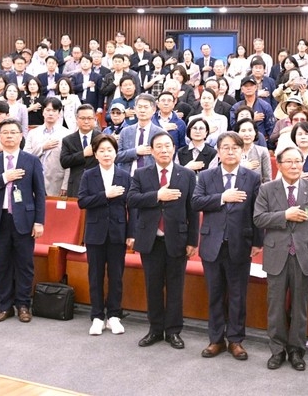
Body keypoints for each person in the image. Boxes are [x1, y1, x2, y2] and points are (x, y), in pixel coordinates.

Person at [253, 146, 308, 371]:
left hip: (305, 254)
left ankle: (296, 351)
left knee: (300, 306)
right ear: (279, 164)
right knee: (275, 306)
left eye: (298, 161)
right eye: (289, 162)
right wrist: (285, 215)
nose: (294, 166)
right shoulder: (267, 189)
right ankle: (277, 350)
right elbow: (258, 218)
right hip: (277, 254)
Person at [192, 132, 263, 360]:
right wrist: (223, 197)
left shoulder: (252, 178)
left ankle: (235, 340)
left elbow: (257, 211)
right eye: (226, 147)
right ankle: (215, 340)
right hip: (212, 244)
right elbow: (195, 202)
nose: (230, 151)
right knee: (214, 294)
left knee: (237, 295)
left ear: (242, 151)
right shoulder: (206, 176)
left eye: (235, 148)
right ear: (218, 152)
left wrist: (257, 241)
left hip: (240, 243)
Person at [128, 131, 199, 349]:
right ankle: (155, 329)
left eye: (168, 146)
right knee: (153, 286)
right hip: (150, 240)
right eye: (159, 146)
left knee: (176, 287)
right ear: (151, 151)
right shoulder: (141, 174)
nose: (164, 150)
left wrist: (192, 241)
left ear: (174, 148)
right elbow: (132, 199)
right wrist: (157, 196)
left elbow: (193, 210)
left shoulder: (187, 175)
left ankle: (174, 331)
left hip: (177, 239)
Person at [0, 119, 46, 324]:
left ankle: (23, 305)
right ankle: (4, 306)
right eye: (5, 132)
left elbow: (40, 194)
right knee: (2, 264)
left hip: (24, 220)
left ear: (20, 136)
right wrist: (4, 178)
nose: (9, 136)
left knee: (25, 264)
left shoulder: (31, 160)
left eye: (13, 132)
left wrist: (39, 221)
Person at [77, 134, 135, 336]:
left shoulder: (125, 176)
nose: (106, 154)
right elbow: (82, 202)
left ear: (116, 152)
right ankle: (97, 316)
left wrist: (131, 233)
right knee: (95, 275)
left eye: (109, 150)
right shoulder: (88, 175)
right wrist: (105, 195)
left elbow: (132, 207)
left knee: (116, 276)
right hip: (95, 232)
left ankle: (114, 315)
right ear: (95, 154)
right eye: (101, 150)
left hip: (118, 232)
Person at [24, 98, 70, 196]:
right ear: (43, 112)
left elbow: (69, 162)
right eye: (48, 110)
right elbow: (25, 156)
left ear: (59, 114)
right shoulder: (33, 133)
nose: (50, 113)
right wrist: (42, 147)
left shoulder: (67, 134)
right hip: (34, 180)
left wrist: (65, 184)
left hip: (56, 181)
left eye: (54, 111)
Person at [116, 95, 166, 175]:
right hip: (128, 176)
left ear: (153, 110)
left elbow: (164, 157)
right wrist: (135, 151)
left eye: (146, 107)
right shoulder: (125, 132)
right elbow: (116, 156)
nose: (142, 110)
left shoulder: (160, 133)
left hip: (150, 177)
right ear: (135, 109)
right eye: (139, 107)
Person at [60, 104, 101, 197]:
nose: (86, 121)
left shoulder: (102, 138)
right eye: (82, 118)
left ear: (95, 119)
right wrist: (83, 154)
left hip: (97, 184)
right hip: (76, 185)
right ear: (76, 119)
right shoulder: (68, 140)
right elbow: (64, 162)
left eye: (89, 118)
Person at [234, 118, 272, 183]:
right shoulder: (232, 152)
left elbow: (267, 179)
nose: (247, 134)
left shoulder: (262, 151)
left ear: (255, 133)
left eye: (250, 130)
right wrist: (245, 166)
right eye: (243, 131)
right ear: (237, 133)